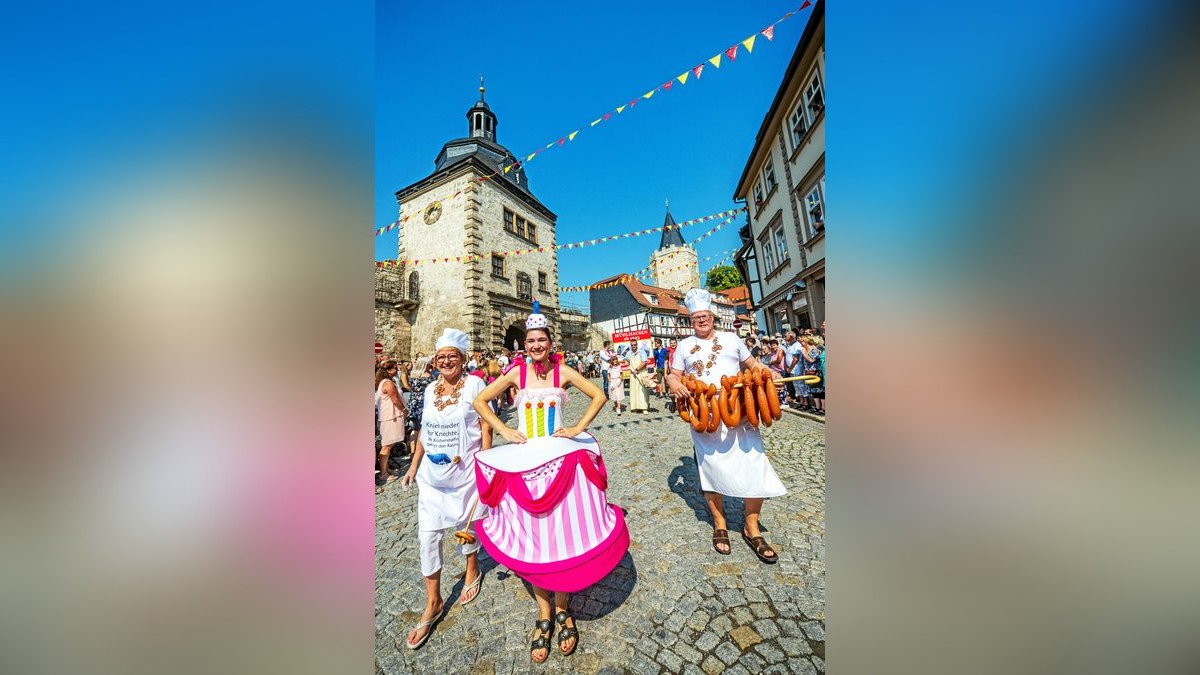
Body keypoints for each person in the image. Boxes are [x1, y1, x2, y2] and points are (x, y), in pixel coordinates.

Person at [471, 302, 627, 664]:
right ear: (525, 344)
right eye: (531, 340)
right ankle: (544, 613)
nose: (536, 345)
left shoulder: (563, 371)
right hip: (525, 460)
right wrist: (505, 429)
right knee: (534, 535)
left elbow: (599, 395)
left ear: (550, 342)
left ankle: (562, 606)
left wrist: (575, 429)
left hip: (557, 458)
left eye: (541, 340)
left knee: (557, 532)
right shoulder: (516, 374)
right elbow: (481, 401)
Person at [667, 288, 786, 564]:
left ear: (713, 316)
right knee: (711, 472)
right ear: (691, 321)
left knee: (754, 465)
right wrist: (674, 384)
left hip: (740, 412)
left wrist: (769, 373)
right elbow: (674, 375)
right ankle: (720, 523)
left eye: (705, 316)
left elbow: (753, 364)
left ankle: (751, 527)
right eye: (696, 317)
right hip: (706, 416)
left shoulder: (732, 339)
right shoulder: (684, 346)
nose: (701, 321)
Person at [399, 329, 492, 649]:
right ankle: (434, 601)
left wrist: (485, 464)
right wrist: (413, 466)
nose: (446, 360)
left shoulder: (476, 384)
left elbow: (485, 425)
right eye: (441, 357)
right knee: (428, 535)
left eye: (452, 355)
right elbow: (425, 429)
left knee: (464, 528)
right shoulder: (429, 390)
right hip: (431, 477)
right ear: (435, 361)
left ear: (463, 359)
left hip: (465, 472)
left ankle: (472, 567)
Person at [375, 360, 407, 493]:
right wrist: (405, 410)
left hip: (389, 416)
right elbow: (395, 400)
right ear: (389, 370)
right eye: (395, 368)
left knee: (390, 444)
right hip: (390, 417)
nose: (397, 369)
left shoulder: (384, 381)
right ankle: (383, 473)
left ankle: (385, 467)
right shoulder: (388, 383)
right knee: (387, 445)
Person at [406, 355, 434, 450]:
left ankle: (412, 452)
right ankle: (420, 452)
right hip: (423, 404)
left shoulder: (413, 376)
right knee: (422, 429)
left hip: (414, 404)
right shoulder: (428, 376)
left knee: (414, 429)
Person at [626, 344, 650, 414]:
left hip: (641, 373)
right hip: (633, 374)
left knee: (643, 391)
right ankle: (635, 407)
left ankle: (644, 408)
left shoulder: (642, 352)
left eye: (634, 345)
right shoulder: (629, 353)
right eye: (632, 345)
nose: (633, 346)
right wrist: (628, 365)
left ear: (637, 345)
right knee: (634, 391)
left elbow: (644, 362)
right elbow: (626, 361)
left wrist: (637, 369)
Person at [783, 331, 804, 408]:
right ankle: (801, 402)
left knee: (801, 385)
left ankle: (805, 402)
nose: (785, 338)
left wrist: (790, 367)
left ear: (791, 337)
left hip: (796, 368)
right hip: (791, 369)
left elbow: (796, 358)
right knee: (796, 386)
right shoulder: (789, 345)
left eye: (786, 336)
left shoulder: (797, 345)